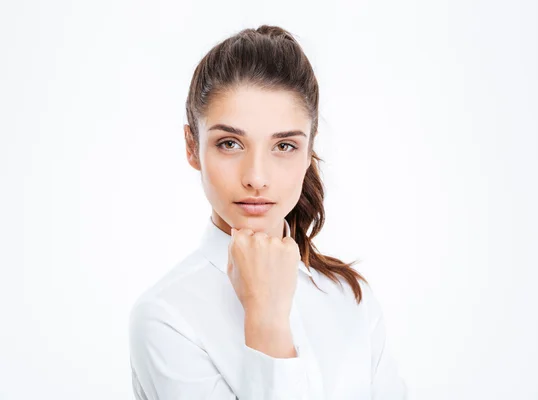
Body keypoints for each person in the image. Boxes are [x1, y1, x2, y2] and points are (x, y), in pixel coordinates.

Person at [128, 25, 407, 400]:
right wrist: (266, 318)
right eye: (230, 143)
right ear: (192, 146)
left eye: (285, 146)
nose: (256, 178)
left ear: (309, 151)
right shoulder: (165, 317)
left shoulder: (349, 298)